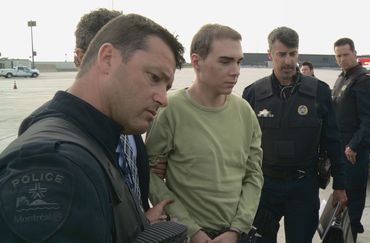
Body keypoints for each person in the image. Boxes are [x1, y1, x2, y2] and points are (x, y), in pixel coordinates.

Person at [0, 13, 185, 242]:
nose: (163, 99)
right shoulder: (51, 164)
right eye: (154, 77)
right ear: (107, 58)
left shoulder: (98, 139)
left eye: (167, 87)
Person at [146, 24, 263, 242]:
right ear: (197, 61)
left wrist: (237, 229)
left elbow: (254, 174)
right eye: (225, 61)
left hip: (235, 235)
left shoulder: (245, 112)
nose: (235, 71)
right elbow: (151, 175)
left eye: (239, 62)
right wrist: (191, 230)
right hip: (186, 235)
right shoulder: (169, 110)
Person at [242, 26, 347, 243]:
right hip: (264, 187)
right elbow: (240, 145)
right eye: (282, 54)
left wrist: (340, 185)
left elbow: (333, 141)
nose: (288, 61)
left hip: (303, 187)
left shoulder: (318, 91)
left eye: (293, 54)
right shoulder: (253, 93)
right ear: (270, 55)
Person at [332, 37, 370, 240]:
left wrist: (353, 145)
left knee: (352, 196)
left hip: (353, 152)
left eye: (345, 54)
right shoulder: (342, 78)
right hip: (340, 148)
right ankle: (342, 231)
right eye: (338, 56)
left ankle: (350, 232)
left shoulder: (364, 81)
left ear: (354, 54)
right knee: (342, 195)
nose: (342, 59)